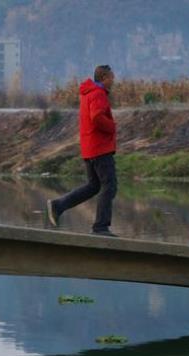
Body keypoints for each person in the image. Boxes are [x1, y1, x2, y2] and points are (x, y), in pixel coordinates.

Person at [47, 65, 118, 236]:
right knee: (110, 186)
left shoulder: (87, 94)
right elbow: (96, 117)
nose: (113, 81)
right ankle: (100, 227)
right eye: (111, 77)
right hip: (100, 148)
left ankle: (59, 205)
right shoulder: (98, 94)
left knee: (94, 186)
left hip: (90, 147)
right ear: (103, 77)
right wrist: (112, 126)